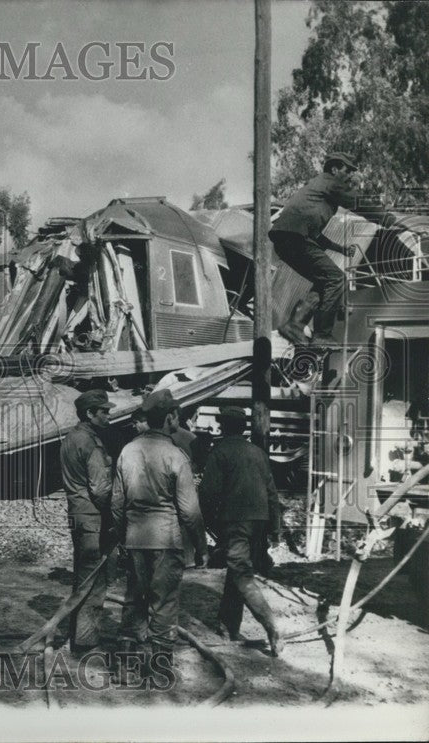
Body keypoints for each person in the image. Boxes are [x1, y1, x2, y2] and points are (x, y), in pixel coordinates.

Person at [111, 389, 208, 673]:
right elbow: (190, 511)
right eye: (177, 414)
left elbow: (117, 504)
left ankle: (124, 666)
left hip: (134, 538)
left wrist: (122, 537)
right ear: (169, 417)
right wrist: (202, 547)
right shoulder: (176, 456)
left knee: (134, 599)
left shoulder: (127, 451)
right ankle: (158, 669)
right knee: (163, 603)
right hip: (166, 539)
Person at [270, 152, 393, 347]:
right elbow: (359, 204)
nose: (350, 175)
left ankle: (294, 324)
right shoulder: (330, 182)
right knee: (337, 279)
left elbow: (315, 234)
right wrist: (388, 219)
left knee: (325, 280)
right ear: (334, 169)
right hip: (293, 238)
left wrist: (340, 249)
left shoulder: (317, 191)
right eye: (347, 170)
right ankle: (322, 335)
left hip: (287, 239)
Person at [199, 406, 283, 655]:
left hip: (235, 523)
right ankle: (229, 627)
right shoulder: (258, 453)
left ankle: (272, 626)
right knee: (236, 571)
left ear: (223, 427)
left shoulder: (220, 452)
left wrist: (207, 523)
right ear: (244, 427)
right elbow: (271, 493)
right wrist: (275, 530)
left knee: (242, 574)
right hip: (259, 523)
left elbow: (207, 493)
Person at [60, 389, 118, 654]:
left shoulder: (71, 438)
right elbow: (100, 488)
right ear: (89, 414)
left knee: (82, 575)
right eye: (103, 412)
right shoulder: (91, 443)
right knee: (94, 579)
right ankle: (85, 641)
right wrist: (117, 515)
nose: (108, 415)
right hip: (93, 516)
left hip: (77, 513)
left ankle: (77, 635)